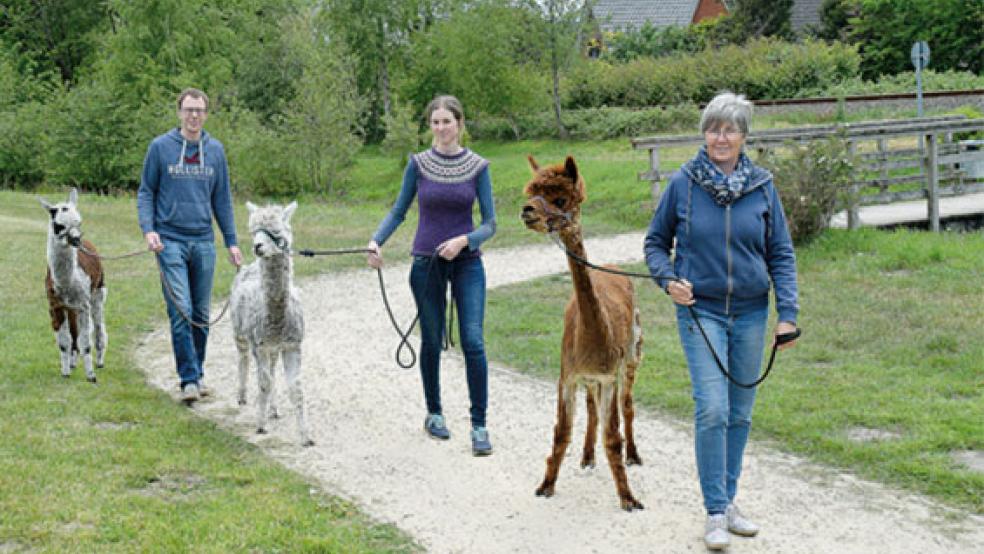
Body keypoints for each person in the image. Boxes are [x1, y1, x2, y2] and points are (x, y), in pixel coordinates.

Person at [644, 92, 799, 551]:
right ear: (704, 134)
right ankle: (714, 510)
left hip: (752, 310)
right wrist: (668, 279)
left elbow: (781, 253)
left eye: (729, 129)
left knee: (740, 412)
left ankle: (729, 500)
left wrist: (787, 314)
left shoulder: (763, 185)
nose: (720, 137)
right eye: (713, 128)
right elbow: (655, 243)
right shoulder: (683, 183)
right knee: (712, 408)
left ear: (744, 136)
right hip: (701, 310)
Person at [367, 94, 497, 456]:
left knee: (473, 340)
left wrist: (464, 240)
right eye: (435, 122)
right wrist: (376, 241)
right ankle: (434, 412)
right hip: (426, 263)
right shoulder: (418, 164)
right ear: (431, 126)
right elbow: (398, 211)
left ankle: (479, 425)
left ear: (460, 123)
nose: (441, 128)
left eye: (447, 121)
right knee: (431, 339)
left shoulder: (478, 166)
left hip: (467, 262)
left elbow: (490, 224)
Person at [137, 88, 242, 404]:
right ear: (179, 113)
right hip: (170, 241)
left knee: (200, 313)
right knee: (180, 309)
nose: (194, 115)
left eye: (199, 110)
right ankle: (189, 380)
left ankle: (196, 372)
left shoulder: (216, 152)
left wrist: (232, 242)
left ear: (206, 114)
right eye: (188, 110)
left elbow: (222, 200)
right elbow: (146, 192)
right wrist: (149, 230)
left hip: (203, 241)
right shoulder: (160, 148)